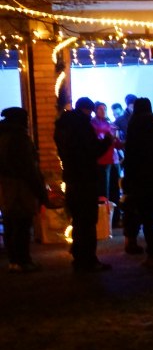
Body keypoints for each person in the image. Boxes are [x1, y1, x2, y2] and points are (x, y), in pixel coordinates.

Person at [54, 97, 113, 272]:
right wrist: (107, 141)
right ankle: (89, 259)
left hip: (71, 177)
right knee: (87, 220)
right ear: (87, 110)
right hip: (85, 178)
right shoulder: (82, 125)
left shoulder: (62, 126)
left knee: (78, 219)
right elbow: (93, 150)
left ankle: (79, 257)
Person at [121, 98, 153, 266]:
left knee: (147, 219)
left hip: (141, 180)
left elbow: (130, 157)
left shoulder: (134, 128)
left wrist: (129, 180)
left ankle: (152, 255)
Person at [0, 107, 47, 272]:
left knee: (10, 224)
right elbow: (28, 168)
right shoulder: (19, 138)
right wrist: (41, 191)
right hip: (21, 187)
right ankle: (23, 261)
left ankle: (14, 261)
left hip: (6, 186)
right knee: (22, 225)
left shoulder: (3, 135)